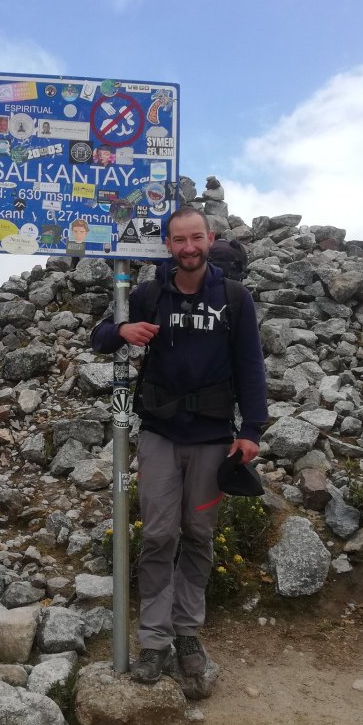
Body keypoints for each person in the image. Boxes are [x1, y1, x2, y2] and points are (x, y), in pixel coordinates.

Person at [91, 203, 267, 684]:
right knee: (158, 535)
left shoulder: (234, 297)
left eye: (196, 238)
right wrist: (122, 330)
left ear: (210, 239)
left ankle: (187, 634)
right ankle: (154, 641)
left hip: (213, 437)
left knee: (199, 536)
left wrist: (252, 430)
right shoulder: (149, 294)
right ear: (167, 245)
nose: (188, 248)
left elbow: (250, 365)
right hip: (160, 433)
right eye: (179, 240)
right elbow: (99, 337)